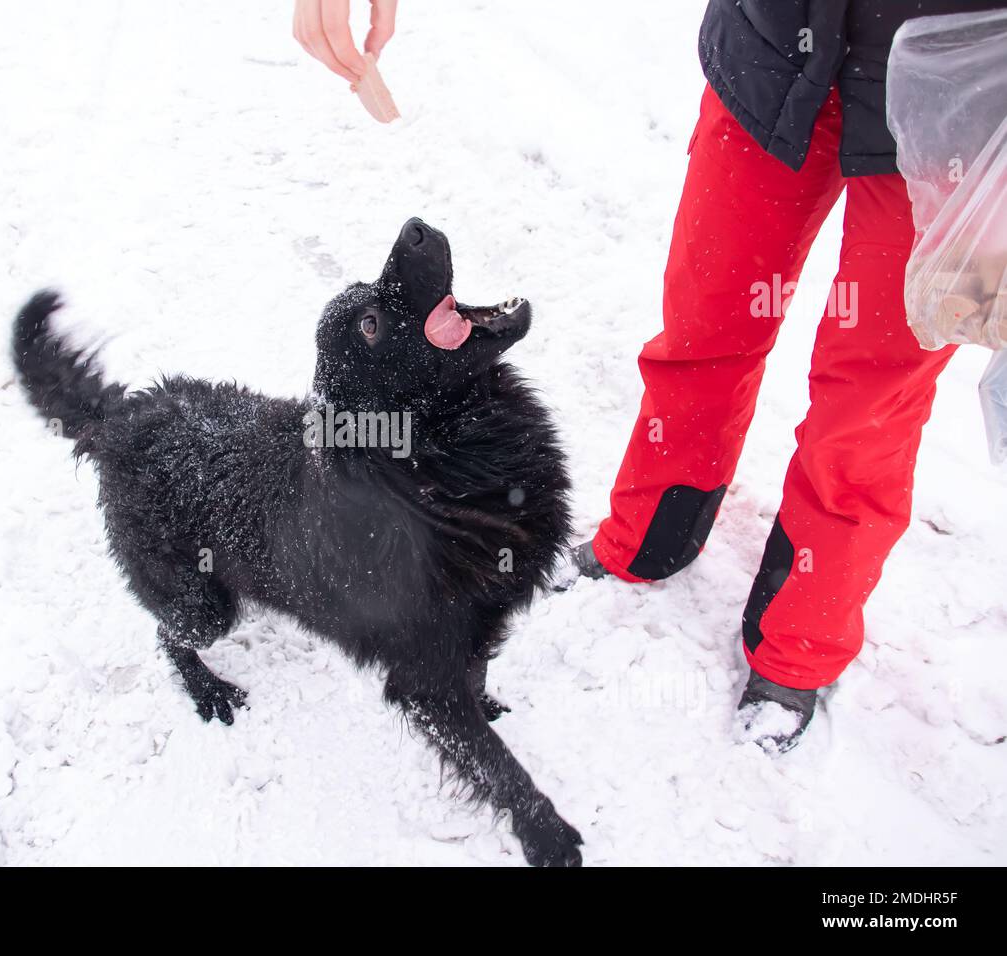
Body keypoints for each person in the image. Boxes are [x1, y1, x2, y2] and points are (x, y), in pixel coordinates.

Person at [295, 0, 1005, 753]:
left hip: (957, 87)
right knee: (706, 323)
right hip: (774, 43)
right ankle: (650, 534)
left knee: (868, 410)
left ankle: (802, 645)